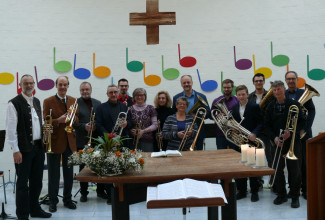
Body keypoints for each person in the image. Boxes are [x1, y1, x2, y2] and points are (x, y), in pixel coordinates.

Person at [5, 75, 52, 220]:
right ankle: (23, 214)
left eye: (31, 83)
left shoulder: (37, 101)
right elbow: (10, 129)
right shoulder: (13, 103)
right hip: (23, 150)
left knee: (37, 182)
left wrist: (46, 129)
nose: (29, 85)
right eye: (26, 83)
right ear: (21, 85)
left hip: (38, 147)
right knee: (22, 184)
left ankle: (35, 210)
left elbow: (39, 122)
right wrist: (15, 150)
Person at [264, 80, 305, 208]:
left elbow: (303, 123)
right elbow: (266, 126)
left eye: (279, 89)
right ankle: (281, 194)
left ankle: (294, 196)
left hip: (293, 143)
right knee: (277, 170)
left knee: (294, 170)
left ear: (284, 89)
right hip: (277, 143)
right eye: (274, 90)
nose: (277, 92)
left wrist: (291, 133)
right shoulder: (270, 106)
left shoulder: (294, 104)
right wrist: (274, 138)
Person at [43, 76, 79, 213]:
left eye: (65, 85)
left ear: (68, 86)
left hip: (69, 142)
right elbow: (46, 121)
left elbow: (77, 120)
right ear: (56, 85)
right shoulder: (48, 101)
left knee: (69, 174)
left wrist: (73, 118)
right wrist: (59, 120)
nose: (63, 87)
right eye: (60, 84)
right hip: (54, 142)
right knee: (54, 174)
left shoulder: (73, 100)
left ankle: (67, 199)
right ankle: (53, 201)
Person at [74, 82, 108, 203]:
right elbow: (73, 122)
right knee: (83, 167)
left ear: (91, 90)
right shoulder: (75, 103)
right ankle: (84, 193)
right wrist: (84, 126)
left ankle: (100, 191)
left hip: (96, 139)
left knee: (99, 165)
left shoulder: (98, 102)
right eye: (82, 90)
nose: (85, 92)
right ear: (80, 91)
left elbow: (100, 119)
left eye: (87, 89)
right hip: (82, 139)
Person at [284, 71, 316, 200]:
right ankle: (292, 189)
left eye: (293, 78)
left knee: (304, 163)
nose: (291, 81)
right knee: (292, 164)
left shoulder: (303, 93)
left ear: (297, 80)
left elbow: (312, 111)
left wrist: (305, 129)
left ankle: (306, 190)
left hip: (303, 133)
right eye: (289, 79)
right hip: (289, 135)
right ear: (285, 81)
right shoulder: (283, 94)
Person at [232, 85, 263, 202]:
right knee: (240, 167)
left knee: (252, 166)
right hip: (238, 142)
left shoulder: (254, 106)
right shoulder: (234, 108)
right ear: (237, 96)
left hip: (251, 140)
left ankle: (254, 191)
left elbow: (261, 122)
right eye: (239, 94)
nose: (241, 96)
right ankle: (242, 191)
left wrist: (254, 133)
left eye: (243, 94)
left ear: (247, 94)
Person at [248, 73, 274, 190]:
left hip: (268, 131)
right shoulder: (250, 97)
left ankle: (274, 183)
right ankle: (258, 183)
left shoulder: (271, 94)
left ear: (263, 82)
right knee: (256, 159)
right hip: (255, 131)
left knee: (270, 157)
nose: (259, 82)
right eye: (256, 81)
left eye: (261, 81)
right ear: (253, 82)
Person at [172, 75, 210, 150]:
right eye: (184, 83)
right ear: (181, 84)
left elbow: (208, 113)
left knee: (198, 156)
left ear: (192, 83)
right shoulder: (176, 97)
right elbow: (173, 114)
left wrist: (196, 115)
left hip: (198, 131)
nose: (186, 84)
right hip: (181, 131)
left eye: (188, 82)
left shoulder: (202, 96)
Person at [211, 79, 238, 150]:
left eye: (228, 87)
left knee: (234, 154)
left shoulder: (237, 101)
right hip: (221, 132)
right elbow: (211, 115)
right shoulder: (216, 100)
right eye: (224, 87)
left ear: (232, 88)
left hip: (234, 133)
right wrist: (217, 116)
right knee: (221, 155)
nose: (226, 89)